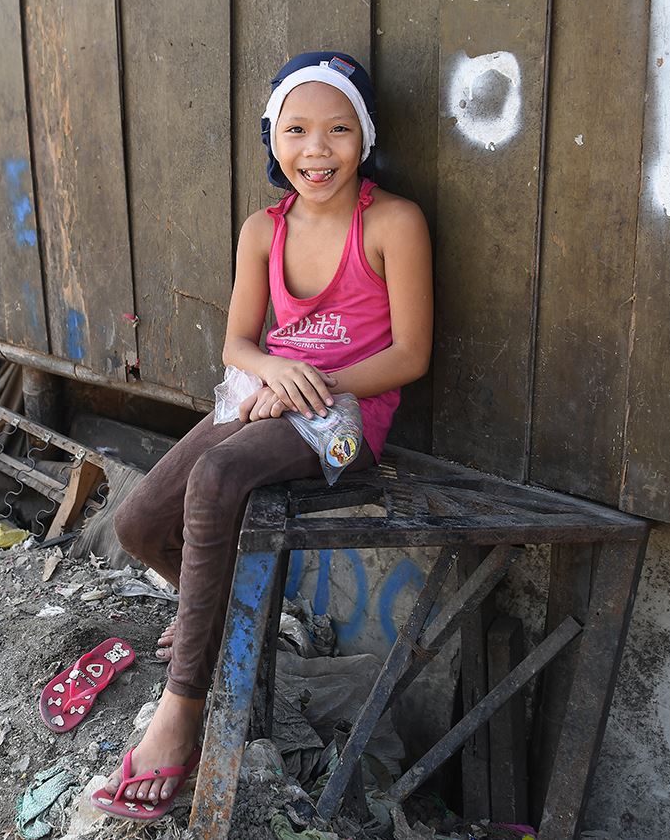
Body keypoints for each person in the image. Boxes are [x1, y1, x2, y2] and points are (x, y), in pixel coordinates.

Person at [94, 51, 433, 817]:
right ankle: (210, 620)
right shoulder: (263, 229)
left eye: (339, 130)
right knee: (138, 522)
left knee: (217, 479)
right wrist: (277, 373)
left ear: (366, 135)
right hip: (267, 396)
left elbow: (411, 355)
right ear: (272, 138)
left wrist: (317, 385)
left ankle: (182, 706)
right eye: (297, 130)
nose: (318, 150)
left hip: (349, 419)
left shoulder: (392, 222)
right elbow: (237, 344)